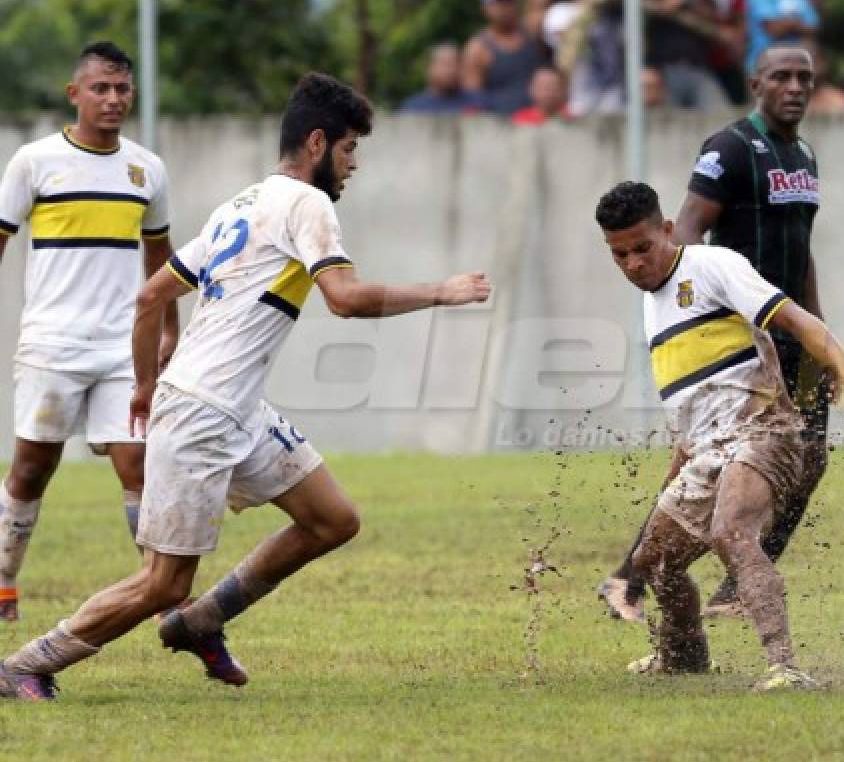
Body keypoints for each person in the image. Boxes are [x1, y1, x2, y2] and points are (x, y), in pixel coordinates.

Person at [0, 72, 492, 701]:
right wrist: (441, 291)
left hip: (233, 408)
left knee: (332, 520)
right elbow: (343, 299)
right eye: (349, 148)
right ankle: (26, 664)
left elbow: (151, 296)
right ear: (317, 143)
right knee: (161, 584)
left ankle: (202, 620)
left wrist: (146, 387)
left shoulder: (242, 203)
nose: (354, 164)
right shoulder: (307, 204)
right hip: (203, 412)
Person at [595, 180, 844, 690]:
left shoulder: (713, 265)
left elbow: (797, 319)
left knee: (731, 531)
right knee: (655, 562)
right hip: (707, 451)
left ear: (667, 230)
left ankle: (786, 668)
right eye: (619, 254)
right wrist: (673, 483)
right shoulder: (652, 306)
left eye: (642, 248)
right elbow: (691, 415)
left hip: (764, 431)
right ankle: (684, 658)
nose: (633, 264)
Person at [598, 45, 835, 622]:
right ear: (756, 83)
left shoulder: (803, 154)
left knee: (808, 460)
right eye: (781, 77)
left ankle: (733, 587)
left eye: (804, 77)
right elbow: (688, 230)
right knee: (697, 462)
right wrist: (695, 312)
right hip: (745, 335)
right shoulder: (730, 149)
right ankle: (632, 577)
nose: (795, 87)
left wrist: (818, 333)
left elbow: (801, 247)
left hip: (790, 331)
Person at [0, 41, 178, 623]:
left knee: (138, 465)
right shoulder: (34, 162)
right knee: (33, 467)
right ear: (74, 93)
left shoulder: (147, 169)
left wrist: (169, 331)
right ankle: (3, 580)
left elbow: (161, 258)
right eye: (100, 88)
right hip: (51, 343)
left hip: (123, 347)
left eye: (122, 89)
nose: (113, 99)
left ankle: (161, 592)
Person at [643, 0, 729, 109]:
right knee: (665, 118)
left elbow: (712, 13)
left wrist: (684, 0)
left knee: (720, 113)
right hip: (663, 70)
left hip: (698, 66)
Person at [462, 0, 546, 115]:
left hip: (537, 119)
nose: (504, 8)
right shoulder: (478, 48)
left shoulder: (534, 33)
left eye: (509, 1)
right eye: (498, 2)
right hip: (498, 121)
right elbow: (473, 99)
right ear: (485, 7)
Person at [745, 0, 820, 77]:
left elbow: (813, 28)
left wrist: (788, 24)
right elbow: (774, 29)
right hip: (764, 65)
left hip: (796, 66)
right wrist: (797, 23)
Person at [399, 44, 482, 115]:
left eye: (454, 64)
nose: (450, 70)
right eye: (444, 64)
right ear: (429, 69)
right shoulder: (413, 108)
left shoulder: (478, 103)